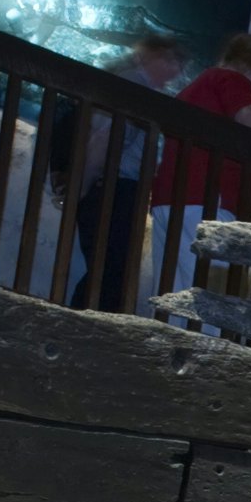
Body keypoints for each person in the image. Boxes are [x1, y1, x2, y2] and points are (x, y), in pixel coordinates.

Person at [142, 32, 251, 308]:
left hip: (170, 200)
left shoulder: (192, 90)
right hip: (204, 203)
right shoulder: (229, 79)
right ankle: (204, 351)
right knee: (212, 298)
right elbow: (248, 113)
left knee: (172, 294)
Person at [67, 26, 183, 310]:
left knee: (108, 271)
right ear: (153, 56)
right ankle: (84, 334)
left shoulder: (128, 82)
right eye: (172, 60)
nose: (176, 70)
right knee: (110, 273)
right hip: (115, 189)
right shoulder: (135, 85)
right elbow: (107, 139)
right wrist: (83, 184)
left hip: (113, 187)